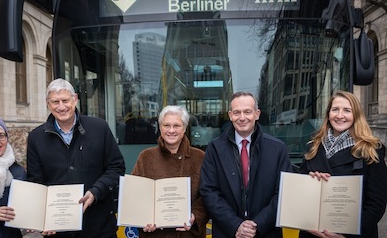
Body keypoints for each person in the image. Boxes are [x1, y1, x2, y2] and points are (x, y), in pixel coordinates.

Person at [27, 78, 126, 238]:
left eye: (65, 100)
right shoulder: (36, 138)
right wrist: (43, 219)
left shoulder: (100, 128)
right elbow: (36, 182)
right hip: (59, 230)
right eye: (55, 102)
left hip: (99, 226)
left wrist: (96, 191)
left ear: (75, 99)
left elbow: (116, 168)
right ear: (48, 104)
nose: (61, 106)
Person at [200, 91, 293, 238]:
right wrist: (235, 225)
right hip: (227, 232)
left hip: (266, 232)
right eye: (237, 112)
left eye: (247, 112)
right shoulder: (214, 149)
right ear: (230, 115)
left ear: (257, 114)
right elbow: (208, 191)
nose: (242, 118)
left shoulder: (277, 149)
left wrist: (258, 225)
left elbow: (284, 193)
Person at [298, 90, 387, 238]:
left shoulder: (371, 150)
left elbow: (376, 205)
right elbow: (300, 191)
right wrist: (309, 180)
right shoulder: (313, 146)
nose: (340, 115)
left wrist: (347, 236)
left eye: (347, 110)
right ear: (328, 114)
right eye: (335, 110)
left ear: (356, 115)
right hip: (313, 233)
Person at [131, 105, 208, 238]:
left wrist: (195, 216)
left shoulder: (200, 157)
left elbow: (208, 194)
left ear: (184, 128)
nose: (171, 130)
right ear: (160, 127)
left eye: (176, 125)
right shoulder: (146, 157)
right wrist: (143, 218)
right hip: (155, 234)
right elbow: (135, 194)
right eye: (166, 125)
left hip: (188, 235)